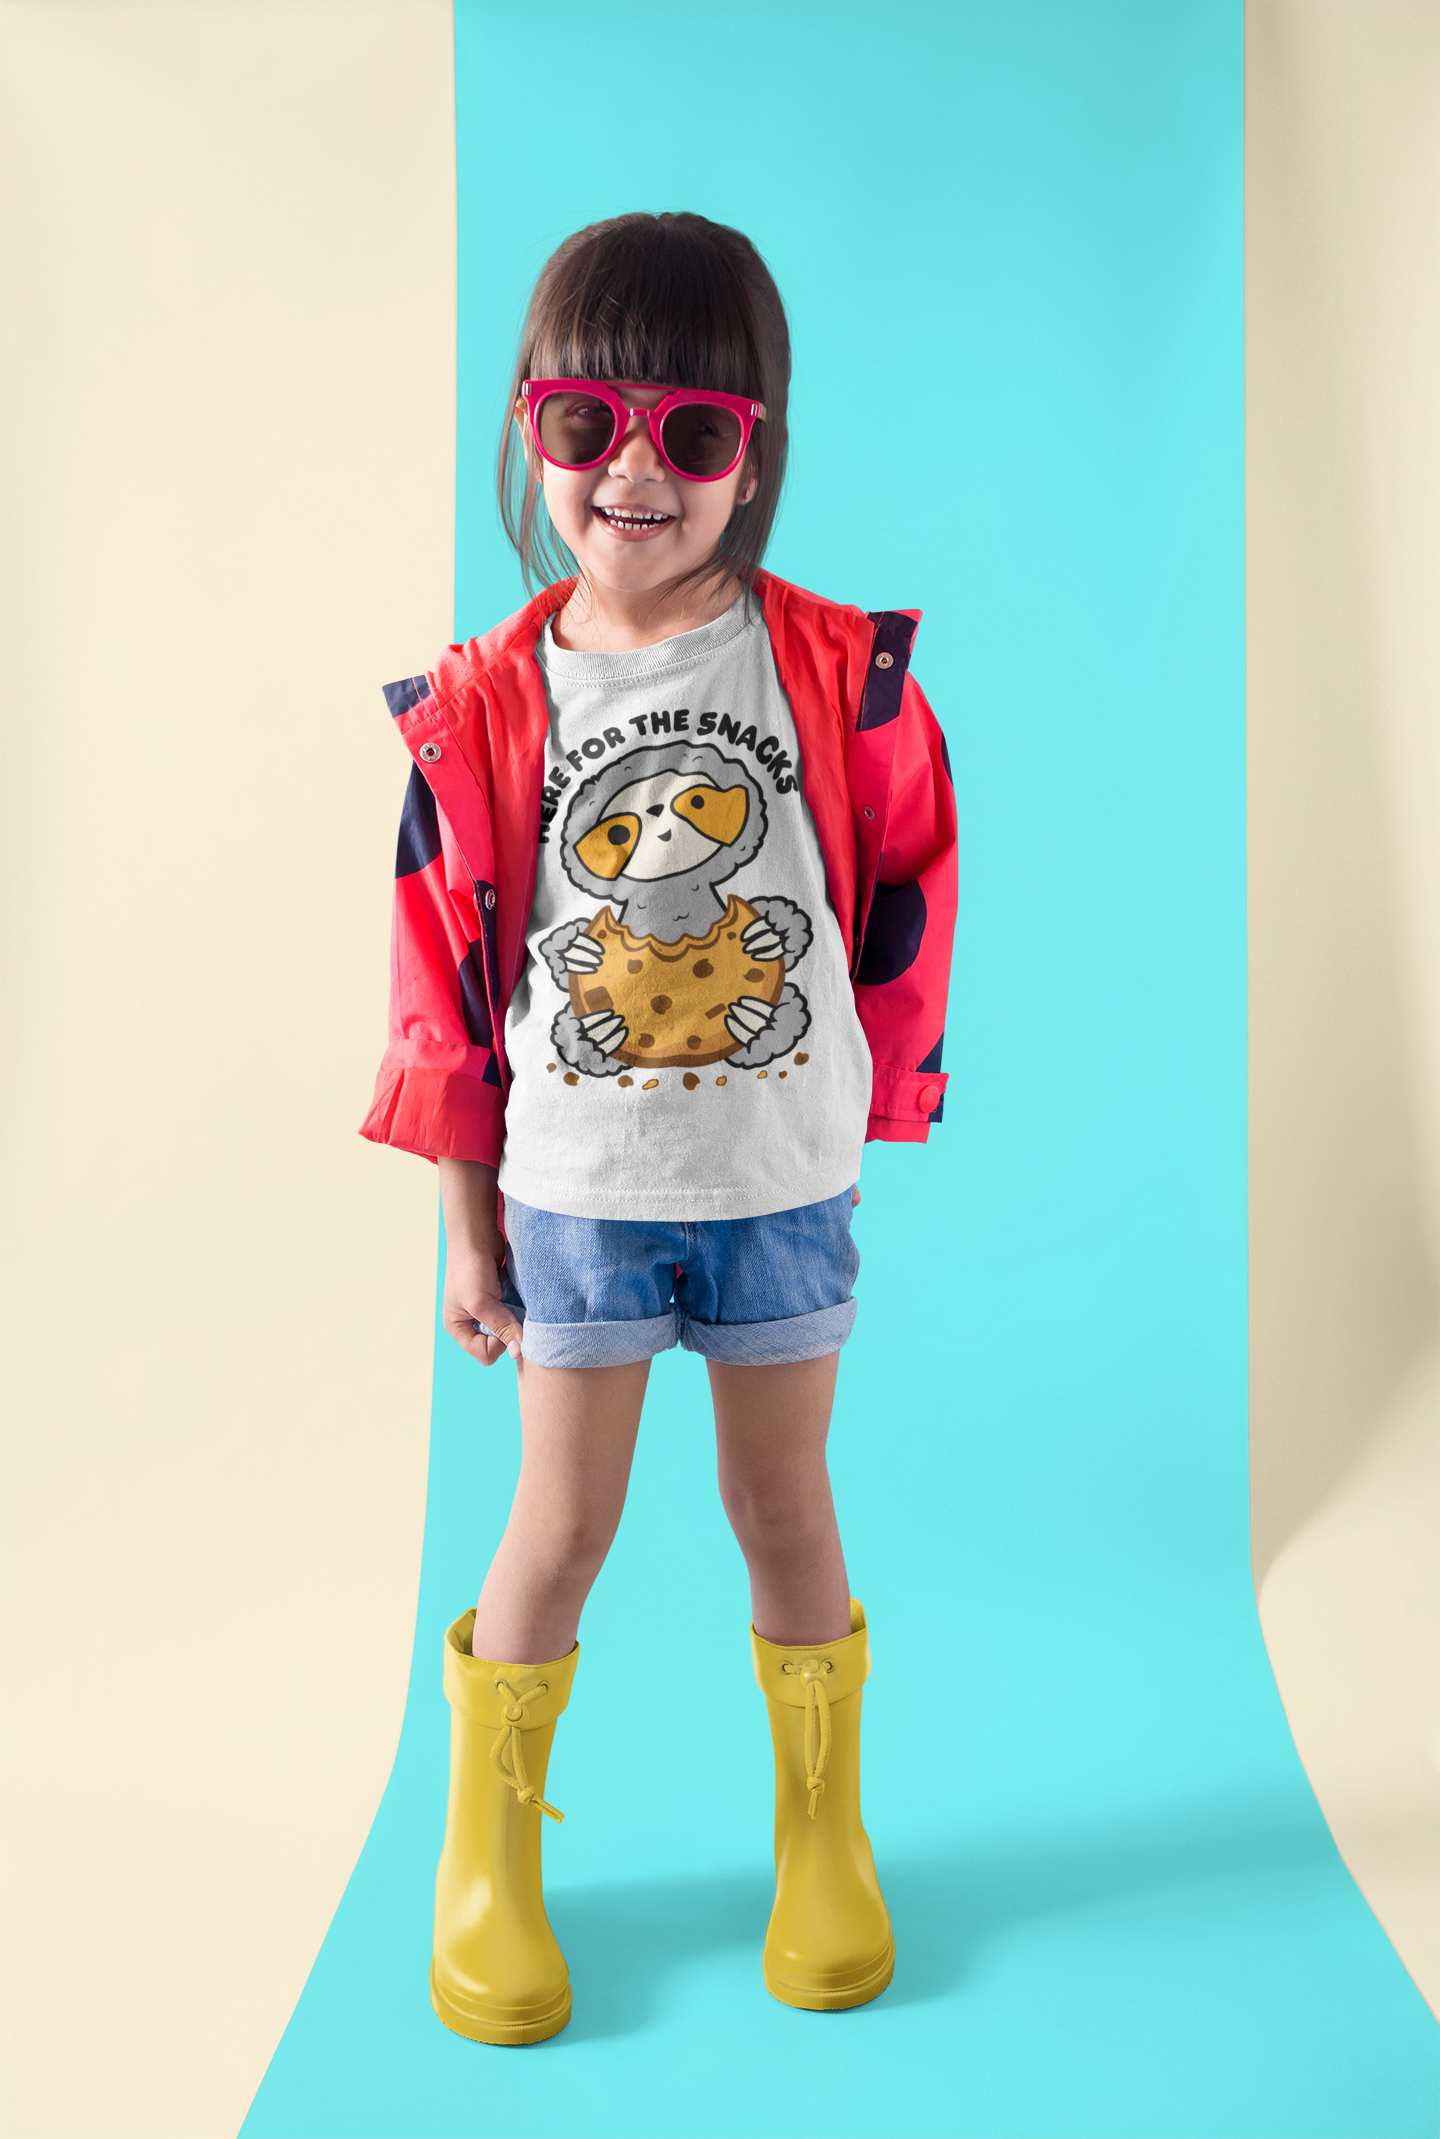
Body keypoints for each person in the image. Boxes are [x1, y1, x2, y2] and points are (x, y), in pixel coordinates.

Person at [362, 211, 957, 2045]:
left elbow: (909, 897)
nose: (638, 469)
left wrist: (864, 1094)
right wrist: (467, 1224)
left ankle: (819, 1828)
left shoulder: (838, 672)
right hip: (576, 1198)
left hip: (781, 1186)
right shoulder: (481, 707)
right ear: (529, 435)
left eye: (695, 431)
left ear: (754, 450)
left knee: (786, 1508)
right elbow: (447, 995)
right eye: (585, 421)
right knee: (562, 1524)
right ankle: (489, 1854)